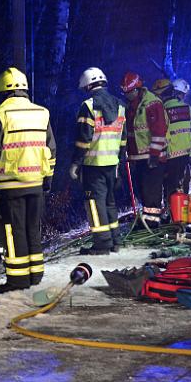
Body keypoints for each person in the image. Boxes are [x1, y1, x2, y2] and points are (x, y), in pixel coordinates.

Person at [0, 67, 56, 293]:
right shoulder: (42, 112)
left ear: (3, 90)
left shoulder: (0, 114)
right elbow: (50, 148)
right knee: (32, 228)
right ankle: (36, 273)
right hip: (36, 183)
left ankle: (18, 279)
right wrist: (48, 177)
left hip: (10, 184)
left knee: (14, 231)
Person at [69, 67, 126, 255]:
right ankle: (115, 241)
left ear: (87, 85)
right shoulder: (119, 105)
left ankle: (102, 244)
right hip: (113, 163)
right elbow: (123, 139)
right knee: (109, 202)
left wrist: (75, 164)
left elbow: (83, 139)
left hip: (93, 165)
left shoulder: (88, 106)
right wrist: (121, 162)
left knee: (94, 203)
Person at [120, 71, 167, 228]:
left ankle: (153, 223)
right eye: (125, 93)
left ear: (138, 89)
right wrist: (129, 155)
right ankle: (147, 220)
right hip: (138, 158)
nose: (128, 95)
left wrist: (154, 155)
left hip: (152, 157)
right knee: (143, 192)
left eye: (130, 92)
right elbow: (131, 133)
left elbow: (159, 132)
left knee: (152, 192)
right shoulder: (130, 106)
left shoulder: (152, 103)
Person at [152, 79, 191, 202]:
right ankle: (184, 210)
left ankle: (172, 212)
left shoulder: (162, 109)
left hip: (170, 153)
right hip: (186, 152)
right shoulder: (187, 108)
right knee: (183, 183)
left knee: (170, 185)